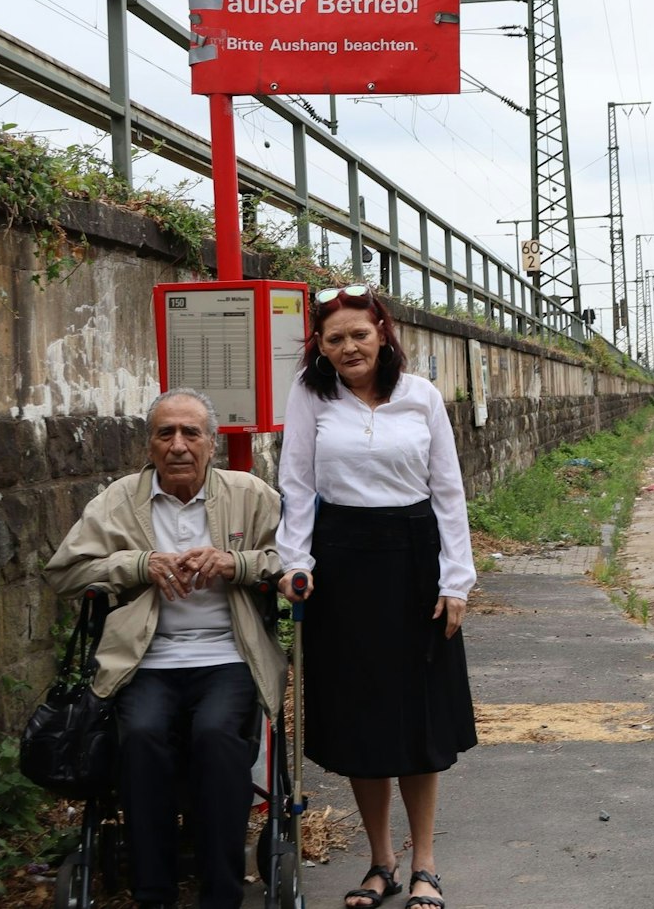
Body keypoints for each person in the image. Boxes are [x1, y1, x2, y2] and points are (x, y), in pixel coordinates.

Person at [46, 388, 285, 909]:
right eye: (165, 433)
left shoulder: (251, 494)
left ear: (212, 443)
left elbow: (289, 562)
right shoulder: (116, 501)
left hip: (227, 654)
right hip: (146, 658)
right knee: (144, 736)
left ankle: (221, 895)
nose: (178, 445)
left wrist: (234, 563)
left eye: (191, 433)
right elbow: (64, 573)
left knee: (218, 736)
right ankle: (153, 894)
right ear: (149, 444)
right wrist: (137, 565)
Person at [279, 284, 477, 909]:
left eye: (359, 334)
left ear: (383, 333)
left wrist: (456, 580)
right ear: (321, 346)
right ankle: (380, 862)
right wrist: (295, 562)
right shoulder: (311, 394)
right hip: (343, 562)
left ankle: (425, 864)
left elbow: (447, 491)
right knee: (363, 717)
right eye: (334, 338)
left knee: (417, 718)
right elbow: (296, 484)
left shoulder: (419, 397)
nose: (348, 347)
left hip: (415, 560)